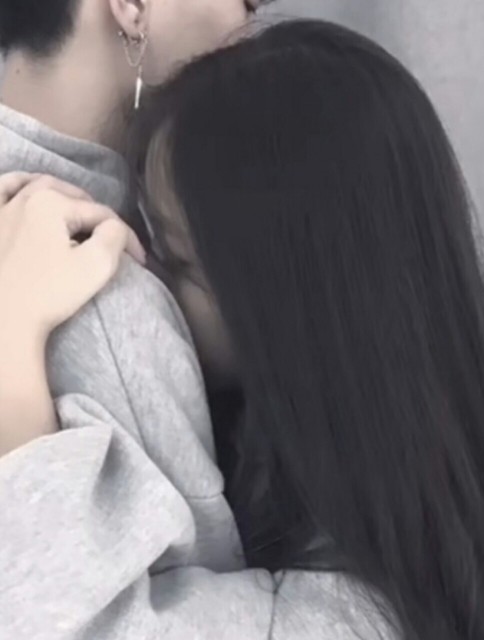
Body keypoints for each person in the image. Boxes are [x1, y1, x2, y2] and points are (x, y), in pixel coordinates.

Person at [0, 19, 484, 640]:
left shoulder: (374, 607)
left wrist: (12, 363)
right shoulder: (464, 431)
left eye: (177, 262)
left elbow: (91, 630)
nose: (140, 266)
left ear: (287, 309)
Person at [0, 0, 270, 586]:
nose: (252, 33)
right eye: (248, 3)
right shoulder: (109, 298)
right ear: (132, 5)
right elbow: (197, 606)